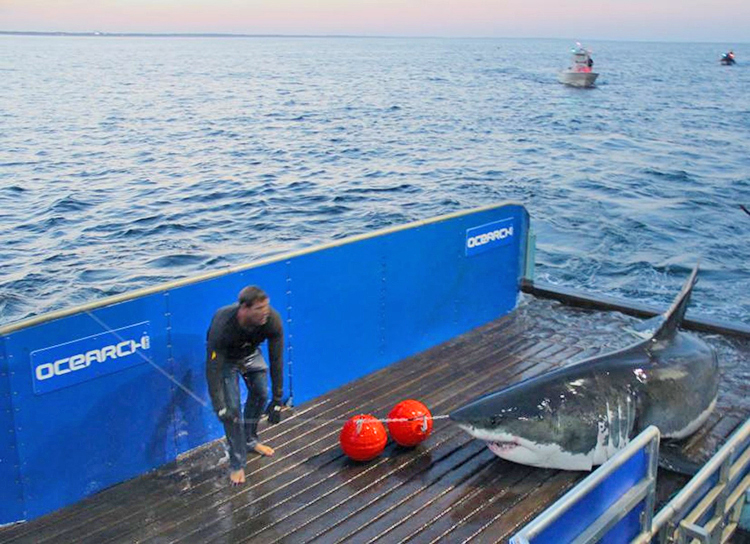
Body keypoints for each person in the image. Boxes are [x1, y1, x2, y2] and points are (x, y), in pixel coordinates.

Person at [205, 285, 284, 485]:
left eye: (267, 306)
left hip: (250, 353)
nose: (265, 311)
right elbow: (212, 369)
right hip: (226, 361)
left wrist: (277, 399)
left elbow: (276, 361)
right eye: (259, 309)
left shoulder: (271, 320)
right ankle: (237, 463)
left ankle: (250, 440)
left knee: (261, 393)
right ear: (244, 310)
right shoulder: (223, 325)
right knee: (231, 411)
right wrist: (219, 406)